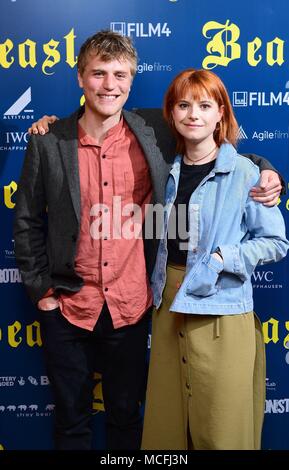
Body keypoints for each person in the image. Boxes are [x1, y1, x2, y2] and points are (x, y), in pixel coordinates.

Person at [15, 30, 282, 451]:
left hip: (132, 306)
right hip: (69, 305)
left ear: (132, 80)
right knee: (71, 424)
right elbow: (27, 219)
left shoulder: (155, 129)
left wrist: (267, 168)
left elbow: (215, 149)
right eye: (98, 73)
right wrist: (42, 292)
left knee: (128, 418)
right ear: (80, 77)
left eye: (120, 75)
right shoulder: (49, 140)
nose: (109, 85)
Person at [141, 68, 289, 451]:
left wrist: (225, 257)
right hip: (167, 306)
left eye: (205, 105)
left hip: (221, 308)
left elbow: (275, 242)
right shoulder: (165, 170)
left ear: (220, 113)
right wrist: (56, 125)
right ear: (171, 113)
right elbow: (106, 115)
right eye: (184, 105)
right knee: (167, 434)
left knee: (222, 432)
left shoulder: (246, 172)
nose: (194, 114)